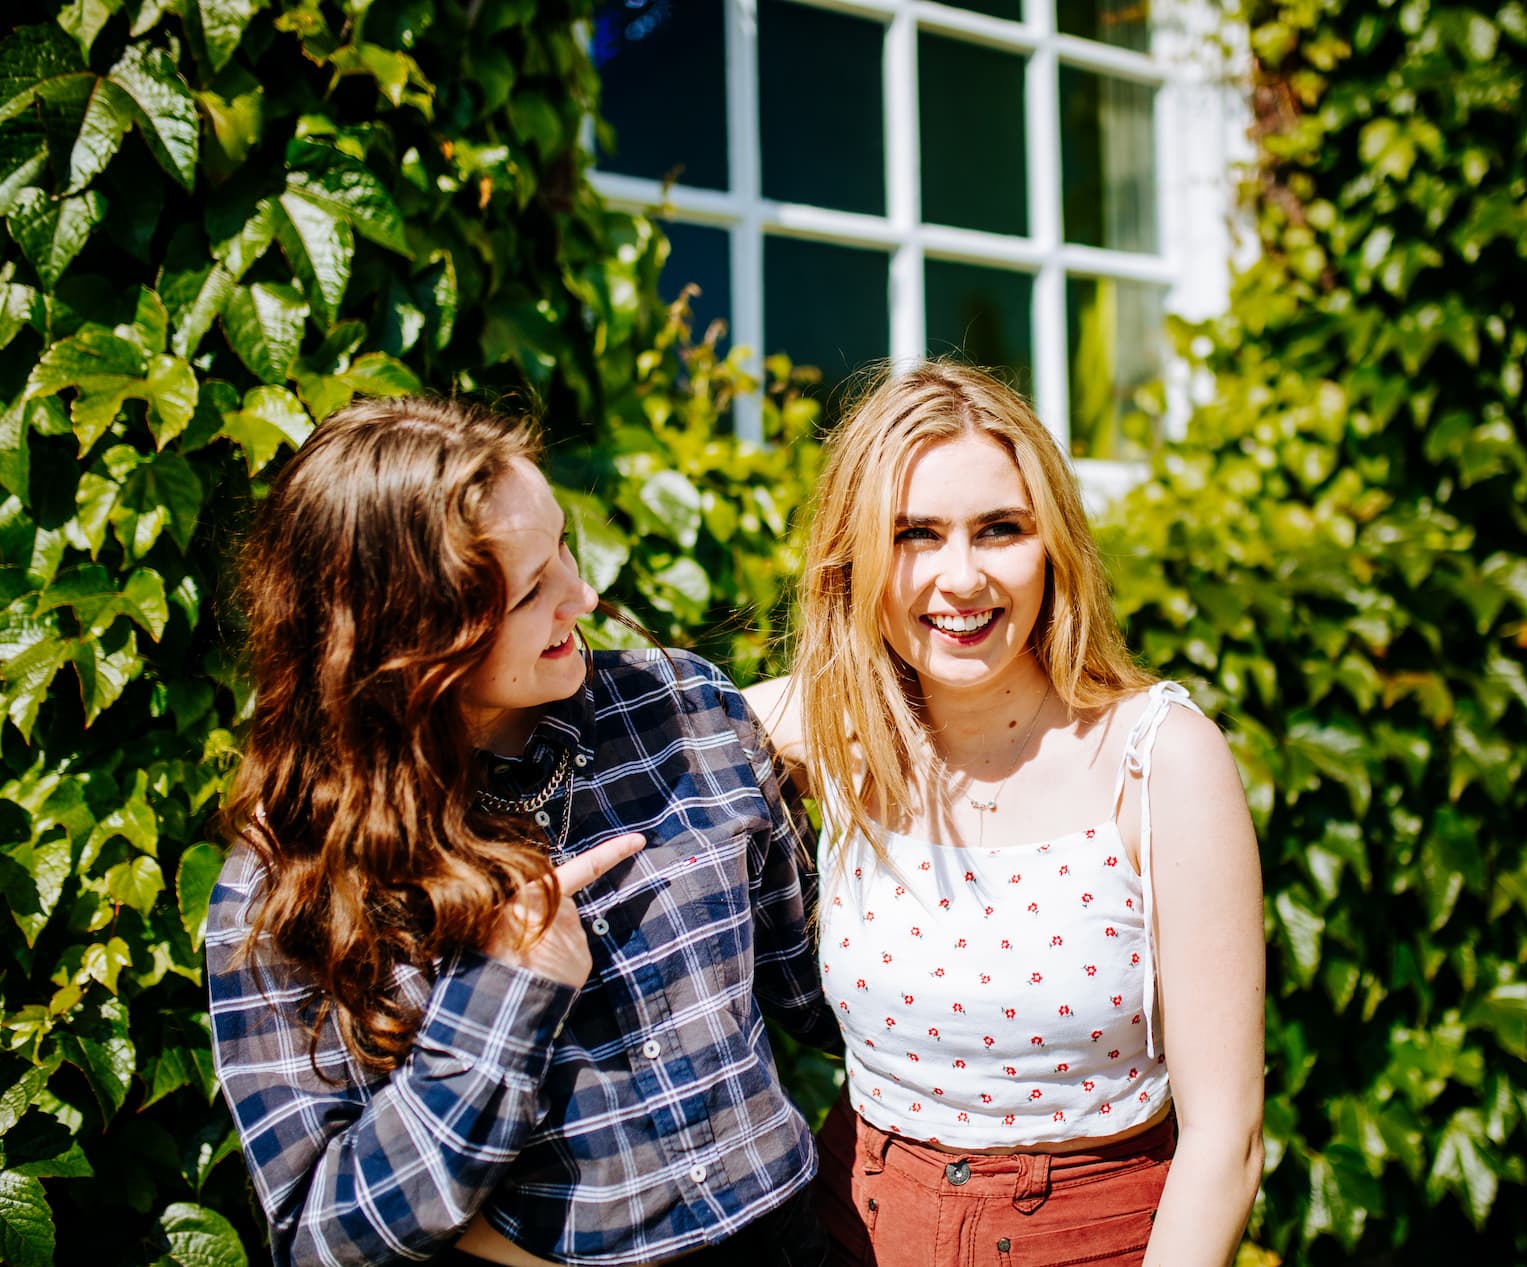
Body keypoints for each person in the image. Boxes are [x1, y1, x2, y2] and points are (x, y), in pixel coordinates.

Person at [207, 396, 835, 1267]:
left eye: (563, 547)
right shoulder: (291, 878)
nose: (584, 593)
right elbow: (322, 1237)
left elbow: (828, 993)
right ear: (408, 639)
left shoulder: (687, 713)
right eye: (532, 589)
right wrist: (506, 990)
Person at [745, 361, 1266, 1267]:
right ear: (856, 555)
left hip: (1094, 1241)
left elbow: (1227, 1140)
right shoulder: (835, 731)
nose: (961, 577)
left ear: (1052, 544)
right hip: (848, 1229)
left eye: (1000, 529)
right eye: (912, 534)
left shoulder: (1160, 760)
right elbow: (629, 732)